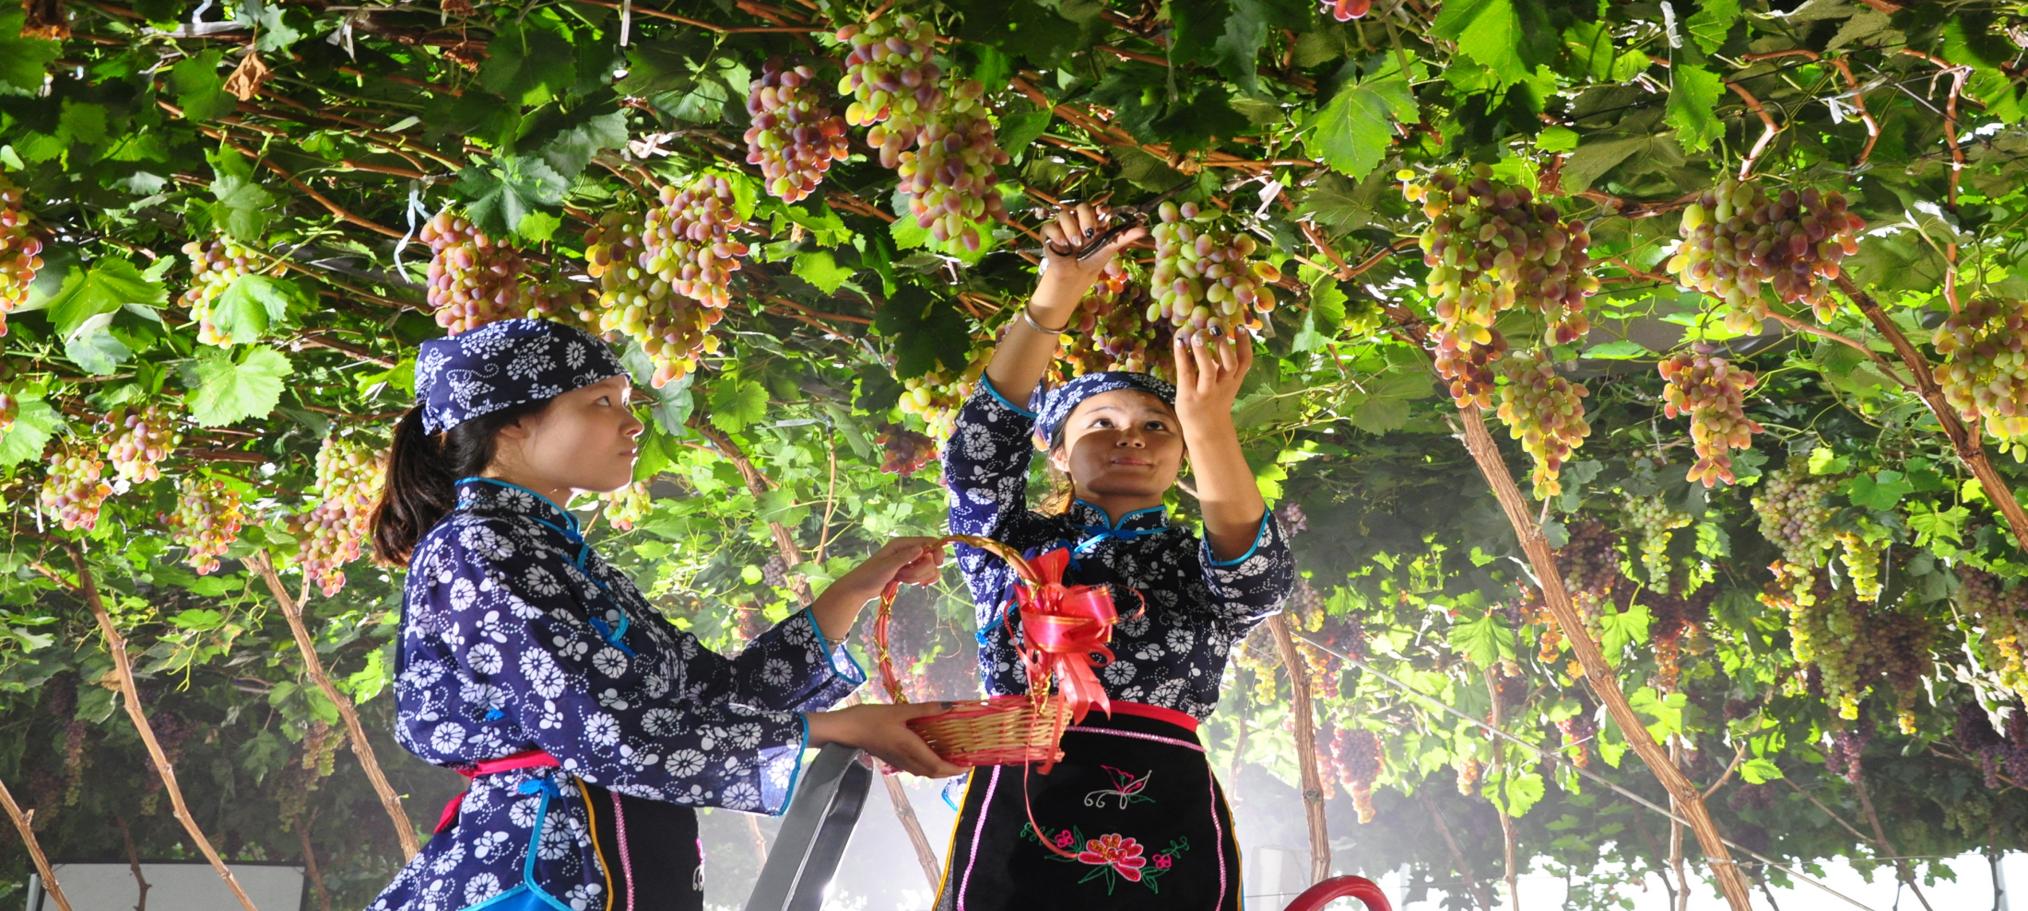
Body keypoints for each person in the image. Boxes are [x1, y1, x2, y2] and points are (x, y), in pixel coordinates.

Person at [363, 318, 962, 911]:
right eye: (602, 401)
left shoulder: (553, 553)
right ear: (512, 420)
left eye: (626, 402)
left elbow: (725, 697)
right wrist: (839, 728)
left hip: (621, 861)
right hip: (544, 880)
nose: (632, 423)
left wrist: (854, 590)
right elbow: (603, 731)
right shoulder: (477, 546)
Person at [933, 204, 1297, 910]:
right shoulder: (1009, 549)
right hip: (1019, 797)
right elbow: (976, 459)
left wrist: (1209, 422)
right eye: (1102, 422)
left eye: (1158, 426)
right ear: (1058, 452)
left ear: (1184, 453)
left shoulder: (1195, 565)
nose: (1132, 437)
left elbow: (1258, 581)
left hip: (1165, 807)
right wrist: (1058, 290)